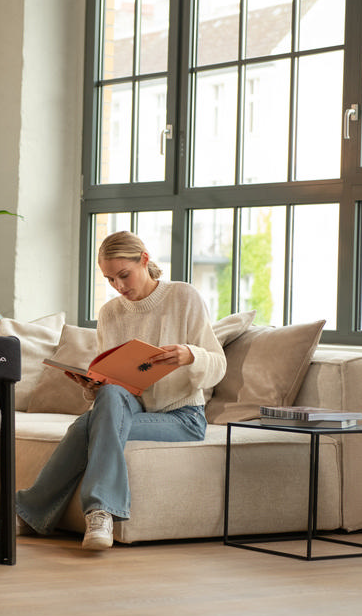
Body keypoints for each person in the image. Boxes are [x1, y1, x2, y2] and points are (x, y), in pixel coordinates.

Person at [16, 231, 226, 551]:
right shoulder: (110, 313)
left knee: (86, 427)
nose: (118, 286)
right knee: (109, 396)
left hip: (183, 417)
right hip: (129, 408)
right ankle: (99, 513)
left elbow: (219, 366)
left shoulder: (184, 297)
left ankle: (39, 512)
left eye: (124, 275)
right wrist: (94, 386)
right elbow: (114, 382)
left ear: (144, 260)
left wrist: (191, 355)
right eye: (110, 279)